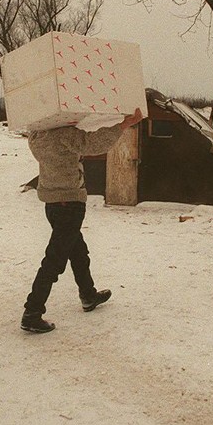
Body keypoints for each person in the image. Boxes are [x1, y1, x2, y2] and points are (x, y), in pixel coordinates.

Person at [21, 108, 144, 334]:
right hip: (70, 202)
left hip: (52, 203)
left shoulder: (36, 136)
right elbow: (95, 144)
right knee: (54, 260)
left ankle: (88, 295)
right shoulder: (65, 134)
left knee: (78, 252)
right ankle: (32, 312)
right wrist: (125, 124)